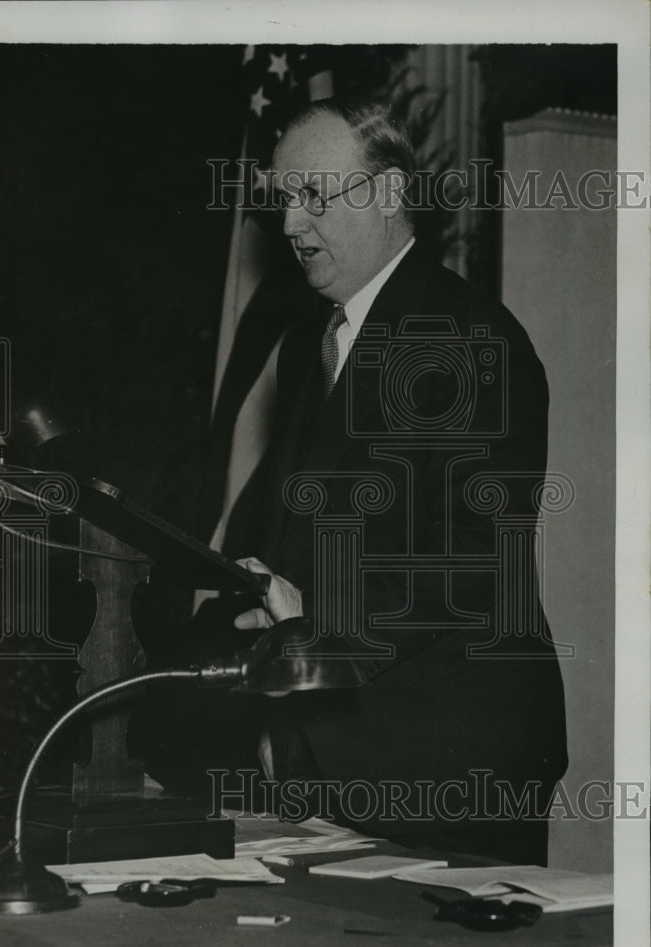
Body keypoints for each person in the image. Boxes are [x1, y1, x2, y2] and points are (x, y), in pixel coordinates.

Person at [218, 98, 567, 865]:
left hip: (446, 763)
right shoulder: (327, 337)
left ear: (388, 194)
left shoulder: (473, 338)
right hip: (339, 752)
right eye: (284, 200)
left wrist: (321, 613)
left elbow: (479, 554)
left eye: (315, 196)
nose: (290, 225)